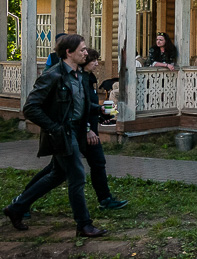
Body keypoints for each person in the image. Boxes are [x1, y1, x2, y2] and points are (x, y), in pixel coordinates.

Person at [3, 34, 107, 238]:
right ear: (69, 52)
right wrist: (55, 128)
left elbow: (77, 104)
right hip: (63, 134)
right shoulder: (53, 75)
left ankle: (16, 207)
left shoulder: (78, 74)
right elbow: (31, 108)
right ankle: (84, 224)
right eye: (82, 50)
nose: (86, 53)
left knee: (56, 175)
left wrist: (98, 109)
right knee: (77, 177)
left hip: (75, 132)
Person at [15, 48, 127, 214]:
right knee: (60, 173)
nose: (96, 64)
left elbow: (85, 106)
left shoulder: (87, 79)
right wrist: (88, 130)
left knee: (94, 164)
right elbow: (70, 108)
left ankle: (104, 200)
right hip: (75, 132)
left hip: (84, 130)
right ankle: (21, 202)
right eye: (93, 60)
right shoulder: (68, 77)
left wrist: (100, 111)